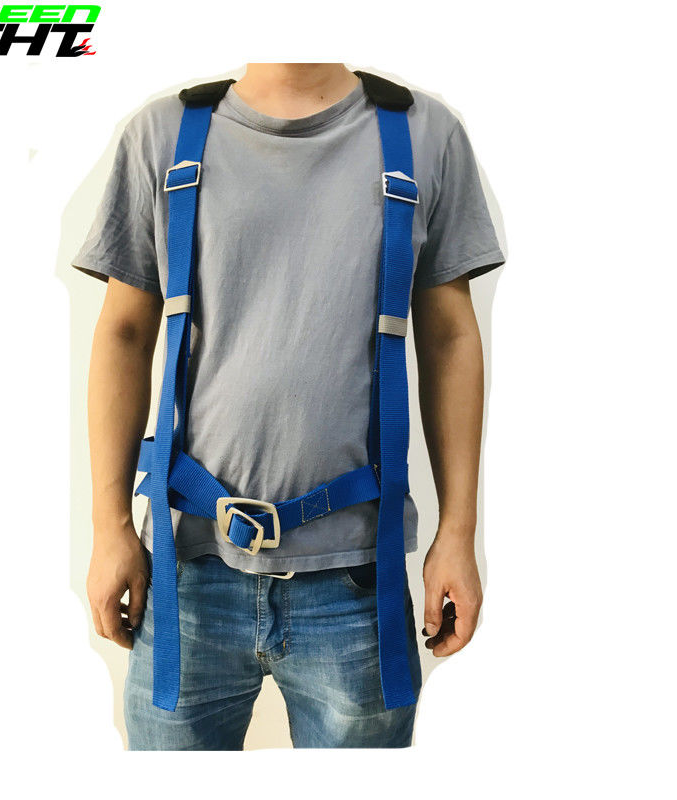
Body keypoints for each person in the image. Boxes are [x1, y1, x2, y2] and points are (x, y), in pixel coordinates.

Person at [73, 63, 505, 750]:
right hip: (187, 573)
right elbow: (123, 331)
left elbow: (452, 337)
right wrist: (109, 528)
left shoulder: (424, 136)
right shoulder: (165, 136)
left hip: (356, 582)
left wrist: (458, 532)